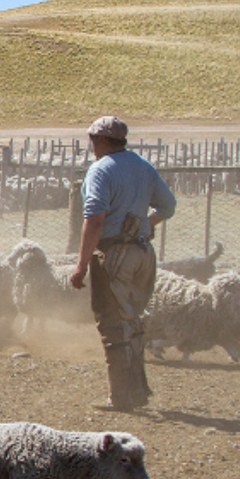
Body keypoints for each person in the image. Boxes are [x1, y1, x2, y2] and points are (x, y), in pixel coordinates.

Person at [68, 115, 176, 410]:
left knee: (113, 323)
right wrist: (149, 222)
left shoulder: (101, 170)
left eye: (92, 140)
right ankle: (137, 392)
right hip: (143, 253)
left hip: (115, 254)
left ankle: (120, 398)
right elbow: (168, 205)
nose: (91, 145)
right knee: (133, 322)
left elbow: (95, 219)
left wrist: (81, 264)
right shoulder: (143, 166)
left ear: (101, 141)